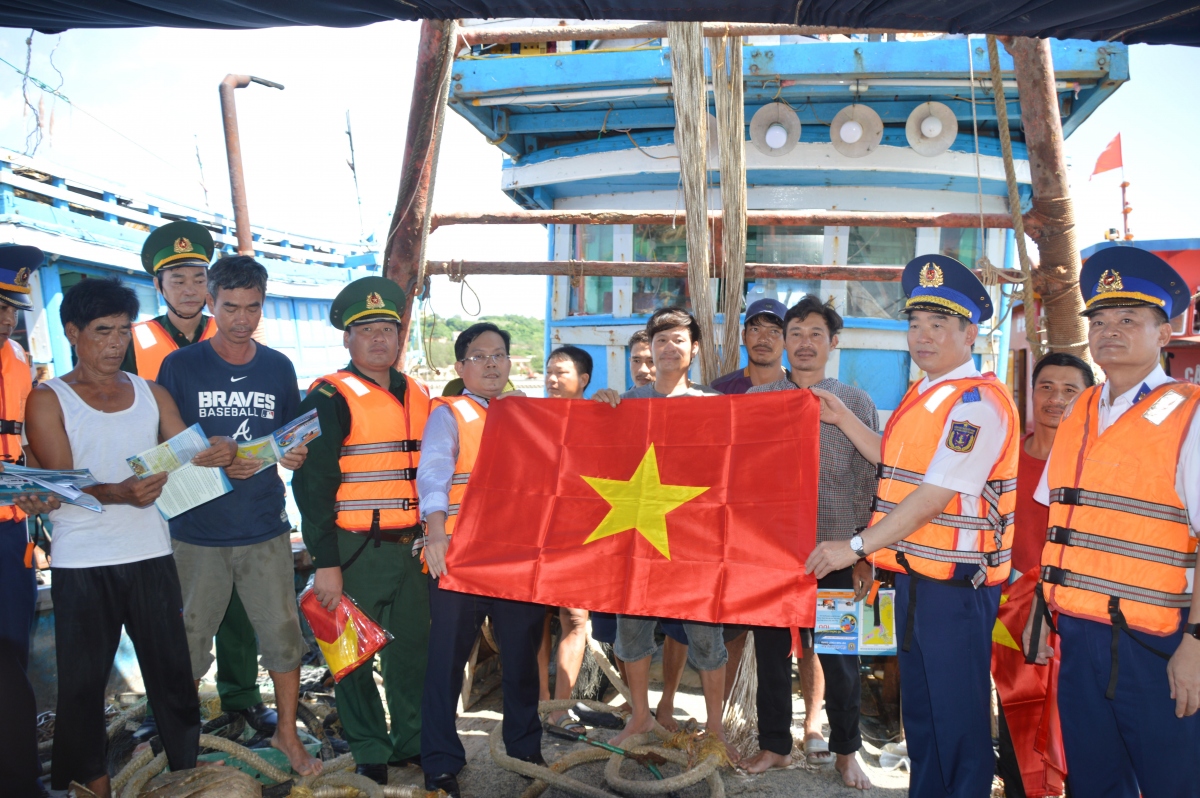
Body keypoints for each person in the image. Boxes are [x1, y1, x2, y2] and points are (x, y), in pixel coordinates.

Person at [807, 254, 1020, 798]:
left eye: (939, 325)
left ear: (970, 331)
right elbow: (894, 462)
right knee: (922, 718)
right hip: (916, 577)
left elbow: (932, 496)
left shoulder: (977, 404)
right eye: (915, 323)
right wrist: (842, 417)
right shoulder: (925, 394)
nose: (922, 337)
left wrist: (852, 547)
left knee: (958, 721)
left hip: (957, 586)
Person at [25, 278, 236, 796]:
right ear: (72, 332)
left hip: (151, 553)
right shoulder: (49, 398)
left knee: (173, 677)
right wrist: (118, 492)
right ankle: (91, 787)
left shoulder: (151, 392)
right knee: (81, 688)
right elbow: (60, 484)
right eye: (102, 331)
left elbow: (189, 451)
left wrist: (220, 451)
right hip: (82, 561)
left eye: (122, 331)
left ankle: (186, 777)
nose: (115, 343)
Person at [1024, 247, 1200, 797]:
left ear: (1164, 333)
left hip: (1159, 643)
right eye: (1099, 321)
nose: (1109, 332)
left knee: (1173, 781)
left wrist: (1196, 643)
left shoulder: (1191, 415)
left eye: (1128, 320)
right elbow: (1058, 523)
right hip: (1077, 633)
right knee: (1095, 783)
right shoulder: (1081, 409)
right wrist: (1039, 607)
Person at [156, 256, 319, 776]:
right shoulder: (180, 366)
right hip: (196, 531)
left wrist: (294, 455)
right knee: (186, 646)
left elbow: (291, 440)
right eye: (231, 307)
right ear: (211, 303)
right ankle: (177, 744)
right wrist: (207, 450)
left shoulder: (277, 367)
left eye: (253, 308)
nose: (242, 319)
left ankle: (287, 735)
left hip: (263, 527)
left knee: (282, 639)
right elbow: (166, 441)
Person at [126, 221, 272, 744]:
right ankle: (162, 703)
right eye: (176, 279)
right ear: (158, 286)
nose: (188, 289)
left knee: (234, 602)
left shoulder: (234, 333)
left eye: (196, 277)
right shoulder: (131, 340)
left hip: (224, 497)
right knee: (159, 606)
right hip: (153, 492)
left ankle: (240, 696)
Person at [294, 276, 432, 784]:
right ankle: (370, 749)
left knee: (412, 651)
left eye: (388, 329)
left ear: (400, 337)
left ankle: (411, 743)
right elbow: (311, 487)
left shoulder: (420, 393)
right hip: (354, 550)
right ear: (347, 339)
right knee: (351, 655)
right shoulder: (327, 395)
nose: (379, 339)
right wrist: (325, 564)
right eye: (366, 329)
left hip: (413, 548)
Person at [744, 295, 877, 789]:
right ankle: (774, 746)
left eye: (815, 334)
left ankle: (846, 752)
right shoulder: (757, 404)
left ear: (832, 343)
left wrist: (867, 553)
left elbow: (875, 480)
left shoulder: (855, 403)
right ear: (783, 341)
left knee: (840, 657)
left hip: (837, 552)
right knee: (772, 655)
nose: (804, 343)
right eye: (795, 332)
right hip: (771, 556)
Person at [592, 307, 734, 758]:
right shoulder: (626, 404)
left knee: (708, 638)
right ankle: (639, 716)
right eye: (661, 340)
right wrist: (596, 412)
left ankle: (715, 729)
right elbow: (590, 457)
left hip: (696, 542)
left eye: (678, 339)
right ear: (649, 350)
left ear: (694, 349)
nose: (669, 346)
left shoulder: (717, 407)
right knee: (630, 631)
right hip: (635, 539)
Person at [419, 321, 544, 798]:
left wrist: (604, 406)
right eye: (479, 356)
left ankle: (525, 751)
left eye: (499, 355)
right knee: (446, 661)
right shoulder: (448, 414)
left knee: (521, 658)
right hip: (460, 556)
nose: (491, 363)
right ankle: (440, 762)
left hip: (517, 556)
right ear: (460, 367)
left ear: (511, 364)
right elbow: (432, 472)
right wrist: (434, 533)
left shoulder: (529, 413)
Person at [994, 352, 1092, 798]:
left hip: (1078, 616)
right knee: (1017, 720)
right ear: (1031, 394)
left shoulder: (1097, 462)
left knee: (1080, 727)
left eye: (1070, 390)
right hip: (1011, 615)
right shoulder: (1005, 459)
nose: (1057, 399)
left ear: (1088, 396)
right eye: (1046, 388)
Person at [589, 329, 689, 725]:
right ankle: (637, 704)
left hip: (676, 531)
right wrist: (595, 410)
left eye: (651, 360)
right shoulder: (618, 406)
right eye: (637, 361)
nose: (645, 369)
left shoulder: (695, 404)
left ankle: (666, 702)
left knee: (679, 625)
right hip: (626, 535)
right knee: (623, 622)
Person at [0, 245, 45, 797]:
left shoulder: (19, 362)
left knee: (10, 653)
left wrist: (40, 485)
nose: (6, 318)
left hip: (11, 535)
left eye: (12, 307)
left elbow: (29, 447)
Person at [538, 345, 595, 730]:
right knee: (534, 620)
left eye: (562, 372)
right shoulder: (529, 416)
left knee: (576, 619)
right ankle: (540, 704)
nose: (553, 380)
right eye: (549, 372)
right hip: (537, 531)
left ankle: (561, 707)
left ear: (584, 381)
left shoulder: (602, 418)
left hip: (584, 534)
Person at [709, 297, 790, 394]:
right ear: (744, 336)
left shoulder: (799, 390)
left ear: (786, 340)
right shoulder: (721, 390)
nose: (763, 339)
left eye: (773, 331)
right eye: (755, 329)